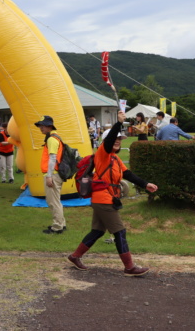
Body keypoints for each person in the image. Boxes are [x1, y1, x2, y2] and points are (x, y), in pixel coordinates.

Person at [68, 110, 159, 276]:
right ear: (107, 141)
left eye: (120, 139)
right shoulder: (102, 153)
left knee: (97, 231)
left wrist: (146, 184)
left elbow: (128, 174)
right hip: (104, 199)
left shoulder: (115, 159)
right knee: (120, 232)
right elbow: (109, 141)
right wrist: (118, 123)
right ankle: (129, 267)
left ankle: (75, 256)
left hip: (105, 199)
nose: (118, 141)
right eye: (116, 138)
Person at [35, 115, 66, 234]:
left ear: (49, 126)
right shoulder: (55, 137)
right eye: (40, 126)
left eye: (43, 125)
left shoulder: (51, 139)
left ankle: (57, 227)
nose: (41, 128)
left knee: (53, 201)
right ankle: (61, 224)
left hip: (53, 174)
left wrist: (49, 176)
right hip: (56, 173)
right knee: (56, 201)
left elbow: (52, 158)